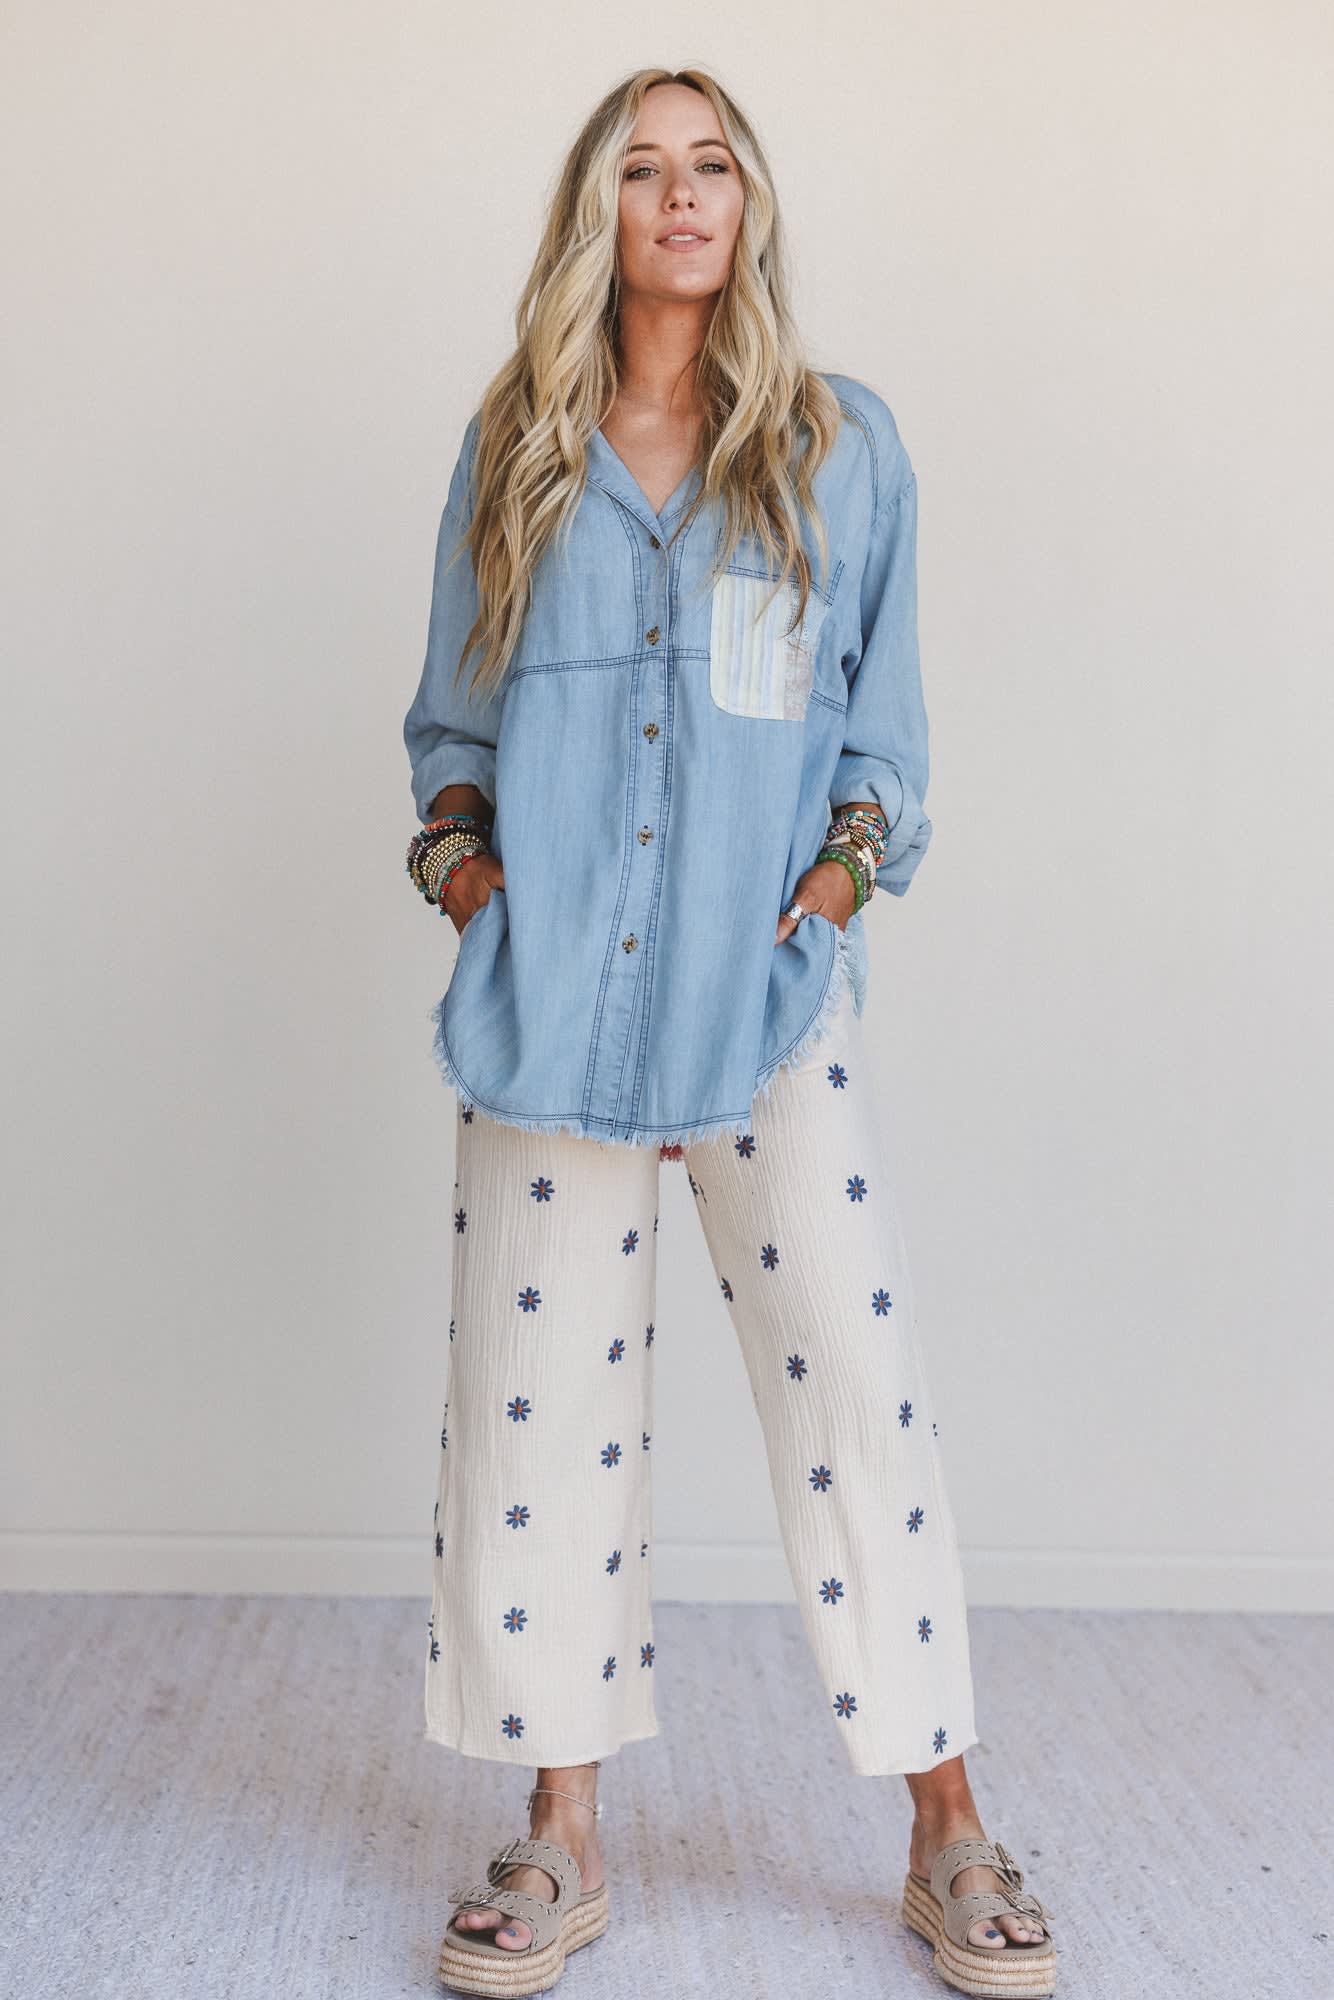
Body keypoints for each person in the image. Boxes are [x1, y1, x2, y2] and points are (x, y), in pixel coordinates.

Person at [402, 64, 1056, 2000]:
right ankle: (558, 1831)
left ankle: (947, 1825)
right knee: (538, 1415)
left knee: (856, 1390)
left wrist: (834, 888)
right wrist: (473, 883)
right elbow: (449, 723)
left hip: (766, 1005)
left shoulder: (842, 446)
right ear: (593, 214)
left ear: (746, 206)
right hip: (548, 1017)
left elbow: (882, 733)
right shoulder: (518, 443)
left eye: (711, 167)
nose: (680, 195)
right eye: (641, 169)